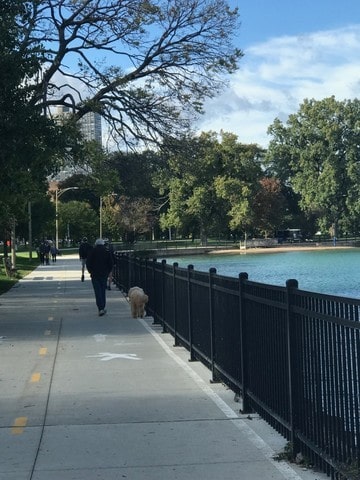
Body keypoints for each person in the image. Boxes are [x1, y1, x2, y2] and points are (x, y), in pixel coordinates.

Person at [86, 238, 113, 316]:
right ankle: (103, 307)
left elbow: (88, 262)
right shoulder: (106, 251)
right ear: (103, 244)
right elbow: (110, 263)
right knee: (102, 290)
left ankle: (100, 308)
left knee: (97, 291)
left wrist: (90, 271)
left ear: (96, 244)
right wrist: (108, 271)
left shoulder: (92, 251)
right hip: (104, 274)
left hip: (95, 274)